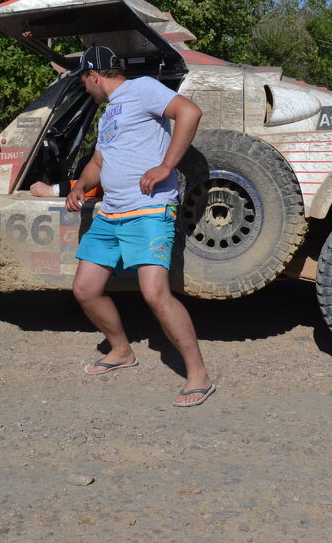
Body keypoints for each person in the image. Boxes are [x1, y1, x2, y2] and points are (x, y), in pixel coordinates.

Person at [64, 44, 215, 407]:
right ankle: (121, 351)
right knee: (85, 289)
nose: (85, 88)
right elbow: (100, 160)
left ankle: (199, 375)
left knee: (154, 294)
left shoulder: (143, 88)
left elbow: (189, 112)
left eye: (84, 81)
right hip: (110, 212)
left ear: (94, 75)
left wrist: (166, 167)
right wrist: (81, 187)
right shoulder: (108, 116)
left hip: (148, 210)